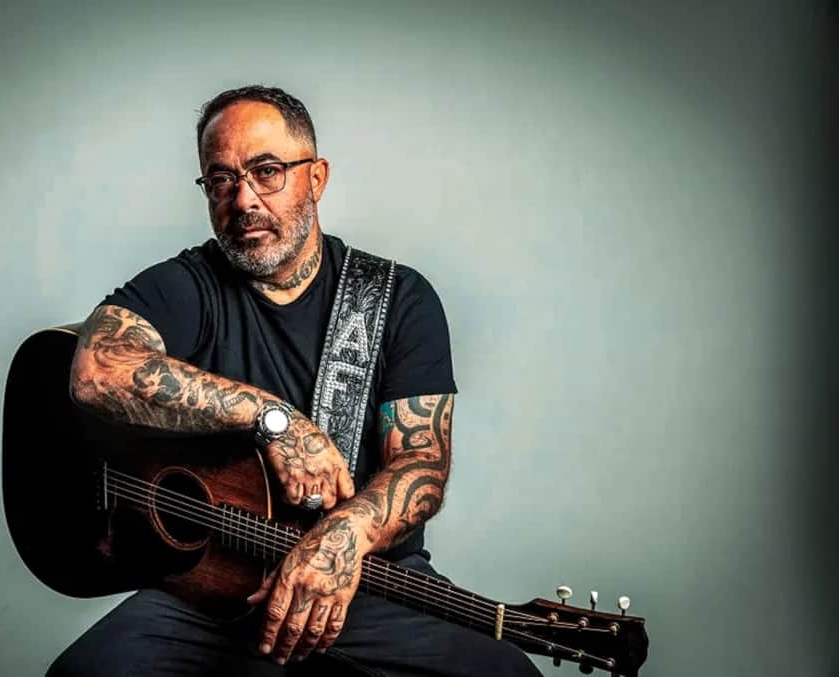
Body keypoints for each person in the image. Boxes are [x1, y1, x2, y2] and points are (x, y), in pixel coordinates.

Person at [47, 85, 541, 677]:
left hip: (369, 581)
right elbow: (97, 370)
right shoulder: (188, 285)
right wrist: (271, 418)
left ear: (317, 176)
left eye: (268, 171)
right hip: (207, 590)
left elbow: (421, 466)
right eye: (221, 179)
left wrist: (341, 537)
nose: (244, 199)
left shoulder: (397, 299)